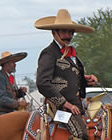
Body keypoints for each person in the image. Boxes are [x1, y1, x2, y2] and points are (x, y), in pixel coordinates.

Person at [35, 9, 98, 140]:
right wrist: (66, 104)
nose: (67, 36)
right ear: (54, 33)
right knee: (82, 134)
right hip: (58, 108)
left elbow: (71, 79)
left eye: (70, 32)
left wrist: (86, 81)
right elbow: (42, 83)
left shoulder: (71, 54)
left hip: (76, 105)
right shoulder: (49, 53)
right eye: (64, 31)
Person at [0, 51, 28, 117]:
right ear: (6, 64)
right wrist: (18, 104)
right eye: (12, 62)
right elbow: (1, 99)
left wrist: (20, 92)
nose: (15, 64)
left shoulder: (10, 77)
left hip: (9, 112)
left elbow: (11, 95)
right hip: (0, 113)